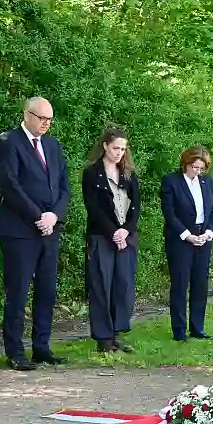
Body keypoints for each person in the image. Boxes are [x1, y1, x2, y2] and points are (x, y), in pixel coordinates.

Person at [0, 97, 70, 371]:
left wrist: (54, 215)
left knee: (47, 290)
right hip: (19, 230)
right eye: (41, 118)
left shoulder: (53, 145)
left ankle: (41, 346)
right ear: (27, 114)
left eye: (49, 120)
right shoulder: (8, 141)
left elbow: (64, 186)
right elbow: (9, 184)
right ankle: (15, 351)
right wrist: (37, 216)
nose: (46, 124)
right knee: (18, 291)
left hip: (49, 229)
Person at [82, 127, 140, 353]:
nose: (119, 153)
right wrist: (112, 232)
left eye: (123, 149)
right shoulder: (92, 173)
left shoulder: (128, 173)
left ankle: (116, 333)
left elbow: (136, 206)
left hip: (126, 237)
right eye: (116, 148)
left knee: (122, 284)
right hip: (101, 236)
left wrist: (126, 231)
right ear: (105, 145)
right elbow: (93, 207)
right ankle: (103, 338)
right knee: (101, 285)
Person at [160, 146, 213, 342]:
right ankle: (179, 331)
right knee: (180, 284)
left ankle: (197, 328)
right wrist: (187, 235)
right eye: (195, 167)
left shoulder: (206, 182)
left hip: (203, 237)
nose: (198, 172)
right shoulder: (171, 182)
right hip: (181, 238)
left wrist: (208, 232)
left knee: (200, 284)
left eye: (202, 169)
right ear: (185, 164)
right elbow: (170, 214)